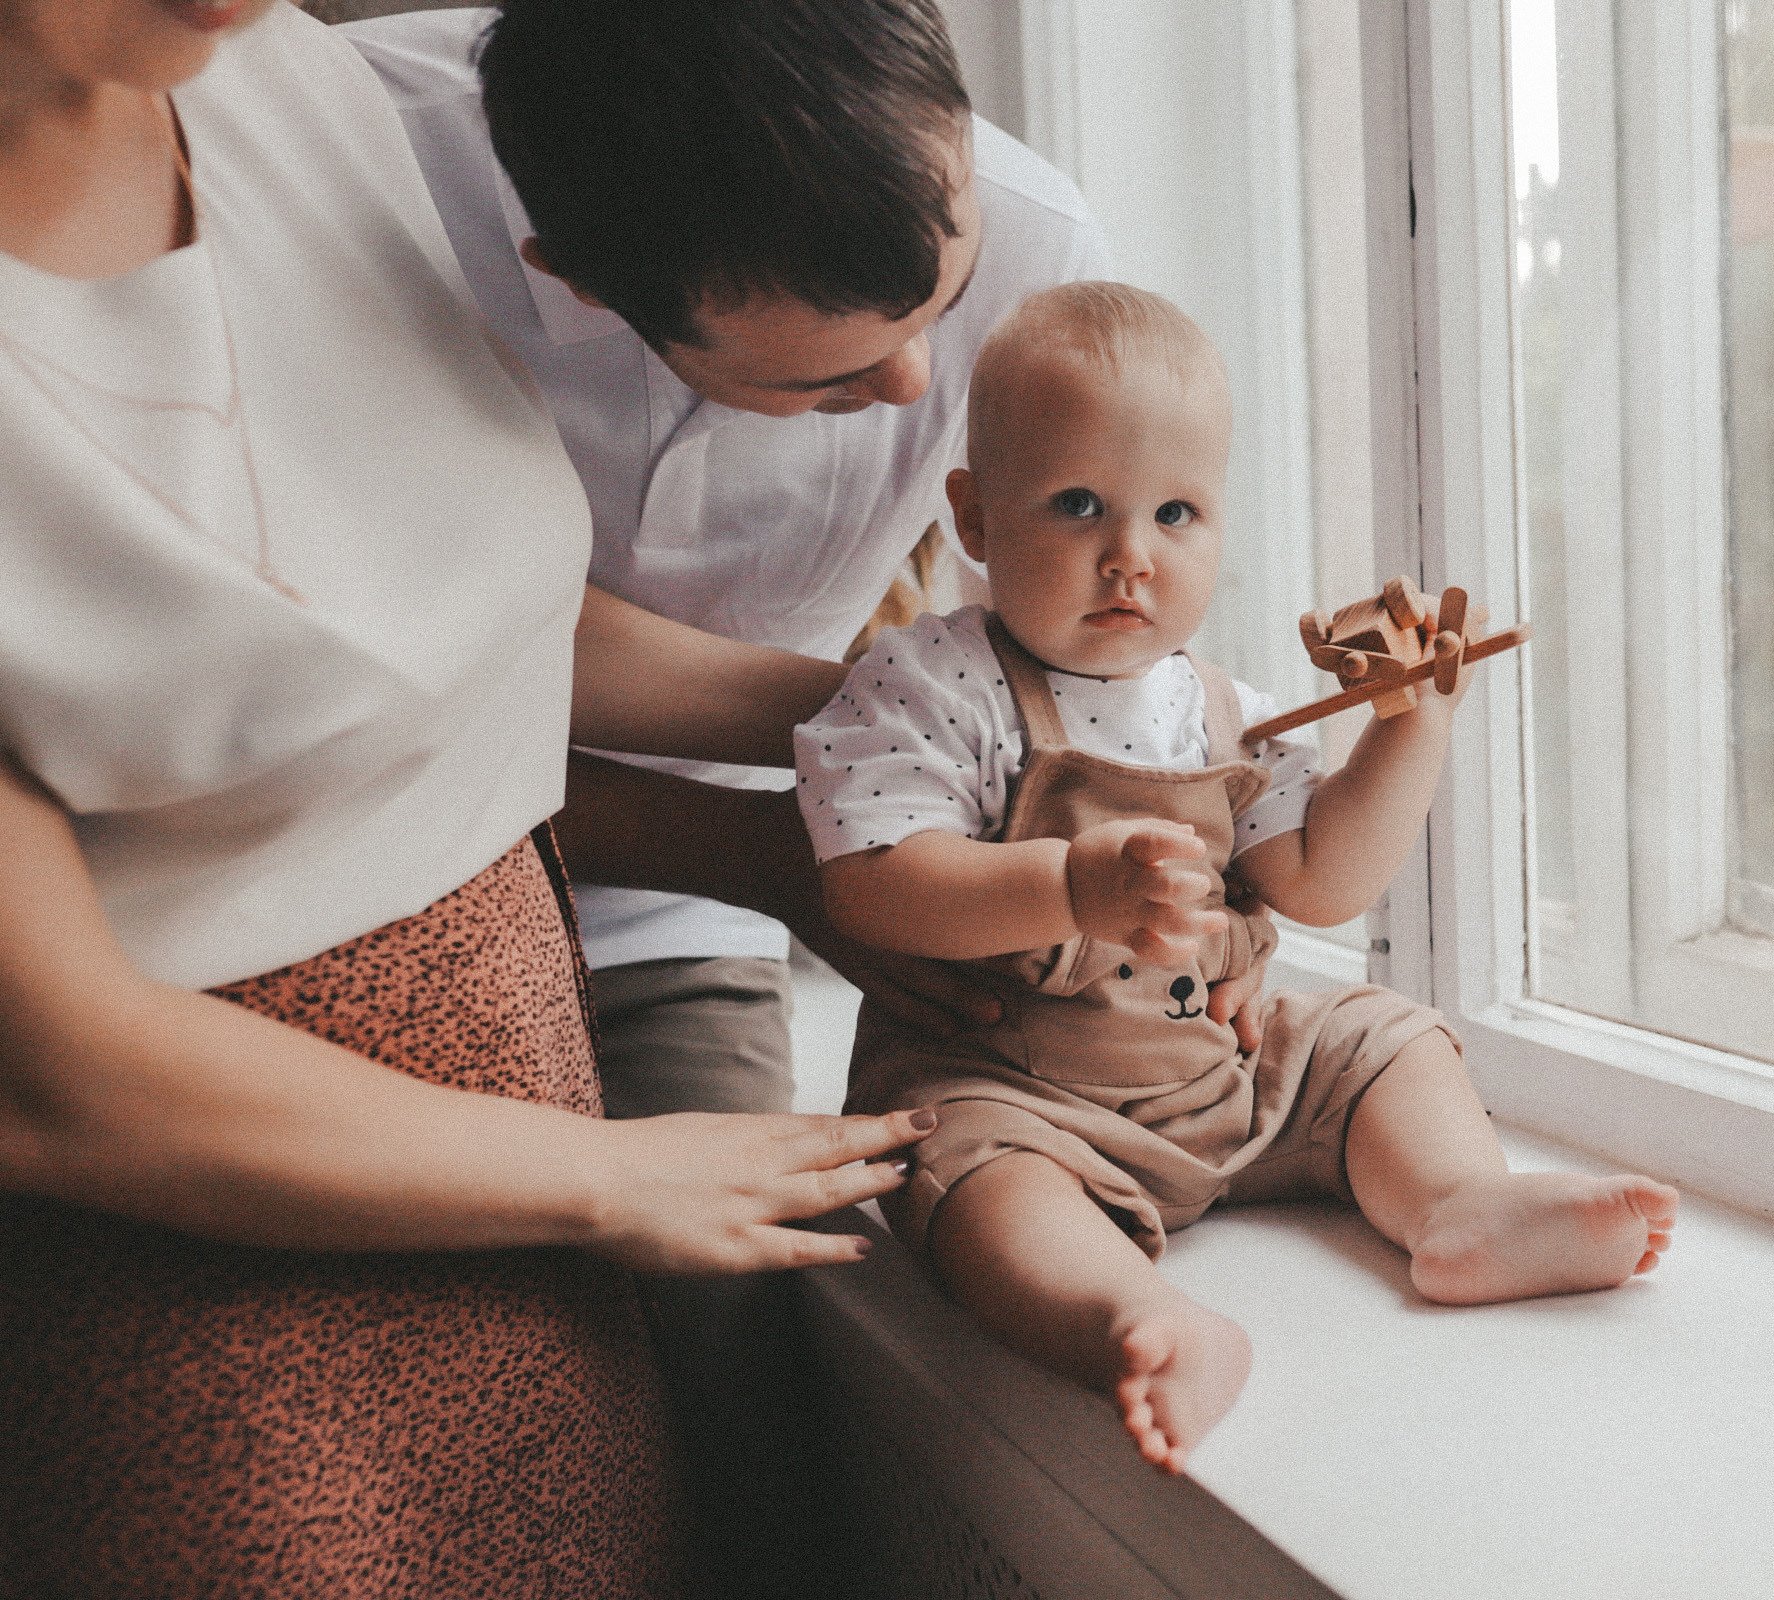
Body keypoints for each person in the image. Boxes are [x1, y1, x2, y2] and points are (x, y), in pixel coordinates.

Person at [0, 4, 928, 1593]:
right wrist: (620, 1177)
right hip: (221, 1322)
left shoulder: (285, 83)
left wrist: (914, 730)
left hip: (539, 1228)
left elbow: (465, 627)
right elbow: (51, 1076)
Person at [799, 282, 1683, 1474]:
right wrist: (1073, 885)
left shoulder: (1223, 711)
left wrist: (1409, 728)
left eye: (1177, 513)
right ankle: (1134, 1315)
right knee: (964, 1178)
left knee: (1380, 1034)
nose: (1131, 557)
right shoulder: (929, 683)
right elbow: (875, 883)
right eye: (1077, 505)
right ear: (973, 515)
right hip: (1018, 1094)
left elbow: (1320, 880)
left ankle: (1458, 1204)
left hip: (1215, 1081)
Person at [339, 0, 1198, 1131]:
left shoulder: (1039, 246)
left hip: (688, 915)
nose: (909, 384)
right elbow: (396, 669)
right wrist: (876, 762)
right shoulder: (343, 175)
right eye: (825, 381)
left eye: (947, 298)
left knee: (733, 1300)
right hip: (354, 871)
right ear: (584, 278)